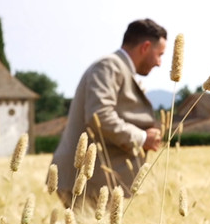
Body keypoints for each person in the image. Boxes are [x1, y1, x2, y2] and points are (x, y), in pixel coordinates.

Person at [51, 19, 167, 207]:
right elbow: (100, 116)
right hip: (87, 182)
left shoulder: (118, 68)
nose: (160, 63)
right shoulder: (109, 66)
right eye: (159, 54)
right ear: (146, 47)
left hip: (96, 182)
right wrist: (142, 138)